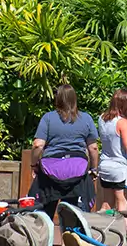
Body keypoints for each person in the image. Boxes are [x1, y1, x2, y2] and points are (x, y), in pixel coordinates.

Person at [30, 83, 98, 215]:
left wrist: (34, 165)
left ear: (58, 98)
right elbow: (93, 148)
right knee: (76, 217)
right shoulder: (86, 118)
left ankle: (45, 234)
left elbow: (38, 145)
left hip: (50, 174)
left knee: (43, 216)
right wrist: (94, 169)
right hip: (77, 174)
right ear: (75, 98)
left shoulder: (48, 118)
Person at [96, 89, 127, 209]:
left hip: (104, 165)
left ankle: (102, 225)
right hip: (118, 168)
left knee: (107, 203)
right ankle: (121, 227)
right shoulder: (122, 122)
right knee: (122, 201)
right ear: (123, 103)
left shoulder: (102, 118)